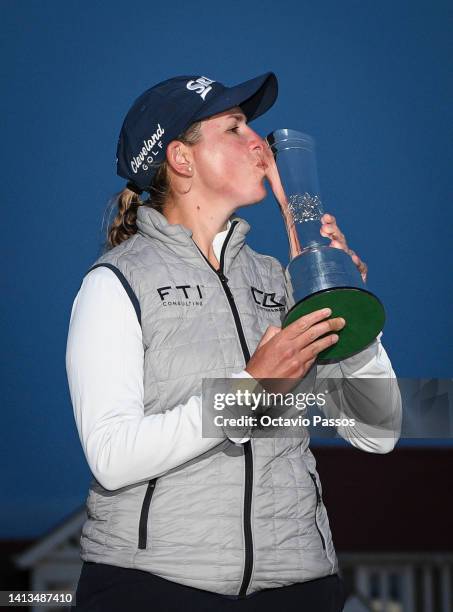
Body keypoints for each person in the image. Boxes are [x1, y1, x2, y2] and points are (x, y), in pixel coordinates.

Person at [66, 72, 402, 611]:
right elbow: (111, 455)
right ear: (181, 158)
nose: (258, 144)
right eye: (235, 127)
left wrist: (344, 303)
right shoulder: (116, 282)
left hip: (301, 585)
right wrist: (251, 388)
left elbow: (376, 432)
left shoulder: (281, 278)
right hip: (155, 588)